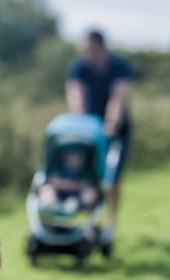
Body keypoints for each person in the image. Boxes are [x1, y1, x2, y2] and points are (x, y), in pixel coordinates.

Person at [66, 29, 131, 243]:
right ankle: (90, 222)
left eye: (92, 49)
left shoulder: (118, 67)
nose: (88, 54)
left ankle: (111, 222)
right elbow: (76, 96)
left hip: (115, 131)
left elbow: (118, 99)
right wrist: (82, 122)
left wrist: (111, 123)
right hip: (89, 132)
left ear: (102, 48)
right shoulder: (80, 68)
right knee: (88, 177)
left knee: (112, 178)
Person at [38, 143, 100, 209]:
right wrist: (73, 185)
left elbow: (87, 184)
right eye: (71, 156)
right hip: (58, 195)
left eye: (77, 157)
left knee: (90, 193)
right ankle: (52, 207)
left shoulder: (86, 171)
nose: (74, 159)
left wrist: (65, 184)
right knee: (46, 190)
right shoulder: (58, 168)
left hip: (79, 197)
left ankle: (78, 206)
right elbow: (52, 180)